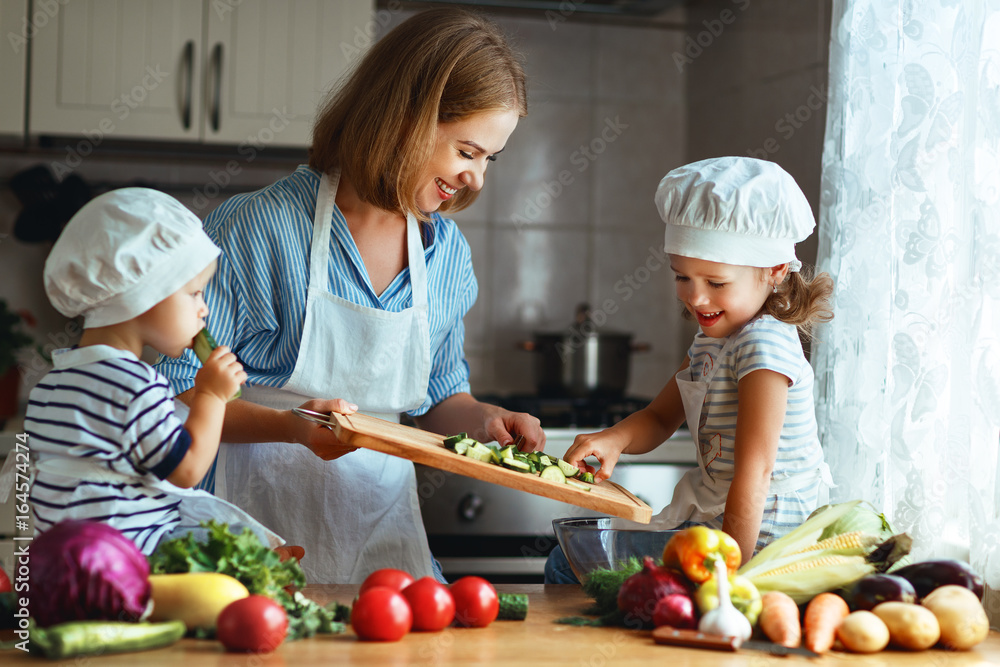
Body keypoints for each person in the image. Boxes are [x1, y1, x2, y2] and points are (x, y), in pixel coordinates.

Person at [155, 8, 543, 584]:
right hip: (246, 539)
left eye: (491, 159)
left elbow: (439, 402)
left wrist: (487, 422)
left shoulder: (445, 255)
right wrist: (291, 426)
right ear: (406, 119)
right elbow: (171, 399)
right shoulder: (258, 229)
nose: (477, 180)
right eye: (467, 152)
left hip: (384, 547)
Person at [545, 157, 835, 583]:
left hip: (762, 538)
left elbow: (755, 476)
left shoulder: (764, 346)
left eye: (716, 283)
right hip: (722, 520)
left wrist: (726, 579)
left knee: (566, 563)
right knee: (575, 561)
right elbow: (661, 417)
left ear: (773, 271)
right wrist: (614, 440)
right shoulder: (712, 340)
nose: (696, 298)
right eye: (682, 277)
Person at [20, 188, 288, 556]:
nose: (204, 310)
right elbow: (187, 469)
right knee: (247, 549)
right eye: (194, 293)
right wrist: (211, 395)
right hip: (130, 558)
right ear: (145, 295)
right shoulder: (134, 386)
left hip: (67, 560)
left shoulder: (52, 384)